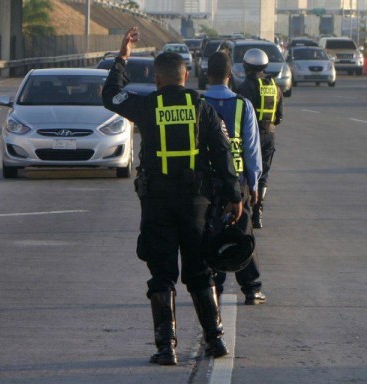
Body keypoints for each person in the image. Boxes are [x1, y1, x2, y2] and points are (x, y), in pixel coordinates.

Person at [102, 27, 242, 365]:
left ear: (156, 78)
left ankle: (167, 348)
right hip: (196, 204)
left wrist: (122, 57)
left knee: (162, 275)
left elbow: (111, 95)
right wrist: (234, 195)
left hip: (157, 204)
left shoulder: (145, 106)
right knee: (199, 273)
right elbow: (222, 153)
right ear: (186, 75)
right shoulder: (202, 107)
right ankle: (215, 340)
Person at [202, 51, 266, 305]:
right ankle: (252, 288)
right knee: (243, 232)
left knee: (210, 233)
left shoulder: (198, 104)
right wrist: (254, 182)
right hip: (238, 180)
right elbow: (252, 148)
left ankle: (213, 287)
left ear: (207, 74)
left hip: (207, 182)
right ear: (231, 75)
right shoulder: (243, 105)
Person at [237, 48, 283, 229]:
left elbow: (239, 113)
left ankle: (246, 210)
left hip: (250, 135)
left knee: (247, 172)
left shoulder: (245, 86)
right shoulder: (274, 86)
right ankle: (259, 213)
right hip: (270, 135)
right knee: (263, 174)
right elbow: (279, 116)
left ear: (246, 66)